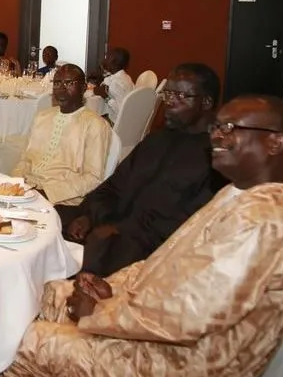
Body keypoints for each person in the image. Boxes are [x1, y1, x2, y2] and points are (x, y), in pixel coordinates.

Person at [0, 95, 283, 377]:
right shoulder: (237, 194)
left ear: (275, 142)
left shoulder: (263, 219)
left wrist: (100, 311)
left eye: (230, 127)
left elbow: (191, 314)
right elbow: (166, 261)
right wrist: (112, 287)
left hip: (183, 363)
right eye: (217, 127)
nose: (217, 135)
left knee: (31, 340)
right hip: (156, 323)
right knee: (51, 293)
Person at [57, 63, 227, 276]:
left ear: (206, 102)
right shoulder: (156, 140)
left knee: (102, 250)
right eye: (167, 94)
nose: (169, 102)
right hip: (110, 222)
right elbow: (113, 186)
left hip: (150, 247)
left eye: (180, 95)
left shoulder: (216, 157)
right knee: (49, 218)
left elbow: (188, 224)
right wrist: (90, 216)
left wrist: (119, 230)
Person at [11, 65, 111, 205]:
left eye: (69, 83)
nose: (61, 89)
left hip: (62, 201)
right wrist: (15, 183)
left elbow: (92, 179)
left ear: (83, 88)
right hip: (27, 191)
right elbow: (26, 159)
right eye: (57, 83)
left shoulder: (95, 125)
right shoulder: (42, 116)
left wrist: (47, 193)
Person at [89, 47, 133, 123]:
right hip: (123, 121)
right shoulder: (126, 77)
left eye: (107, 57)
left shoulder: (116, 83)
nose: (104, 59)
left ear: (113, 62)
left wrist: (106, 97)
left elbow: (121, 111)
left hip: (115, 123)